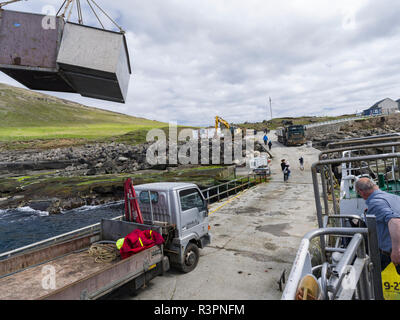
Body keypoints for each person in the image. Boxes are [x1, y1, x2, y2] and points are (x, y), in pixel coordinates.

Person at [355, 177, 400, 270]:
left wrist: (396, 250)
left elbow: (395, 221)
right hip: (386, 250)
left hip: (393, 250)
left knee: (371, 274)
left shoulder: (376, 203)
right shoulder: (394, 197)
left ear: (361, 192)